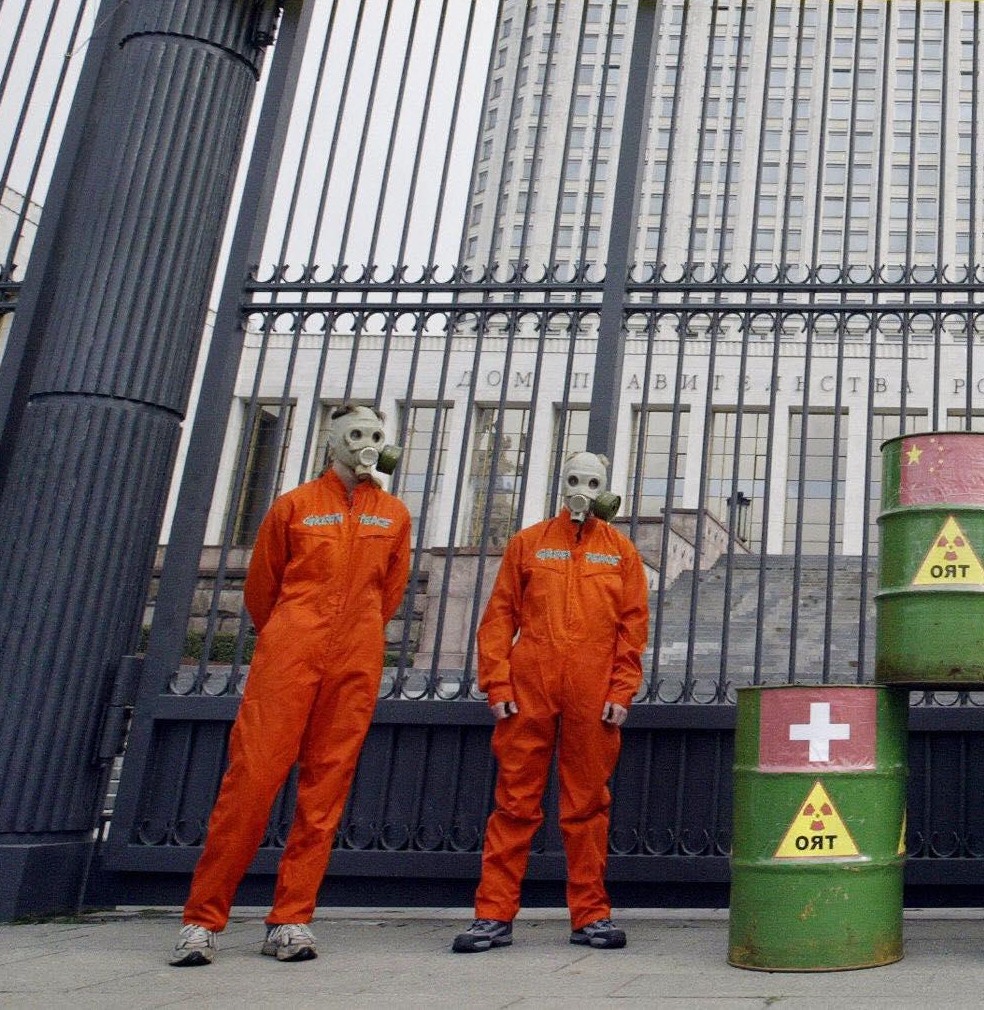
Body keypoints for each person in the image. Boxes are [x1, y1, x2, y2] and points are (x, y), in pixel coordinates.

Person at [171, 405, 412, 967]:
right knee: (250, 783)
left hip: (354, 662)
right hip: (289, 656)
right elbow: (262, 587)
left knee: (324, 793)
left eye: (375, 436)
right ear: (333, 442)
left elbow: (390, 592)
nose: (366, 445)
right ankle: (202, 919)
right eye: (355, 435)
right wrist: (290, 633)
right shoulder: (295, 506)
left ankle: (291, 920)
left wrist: (354, 635)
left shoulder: (394, 514)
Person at [452, 450, 648, 954]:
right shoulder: (529, 543)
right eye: (575, 479)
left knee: (587, 806)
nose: (582, 489)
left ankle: (590, 915)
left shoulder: (621, 552)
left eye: (592, 481)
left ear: (606, 487)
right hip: (528, 689)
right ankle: (492, 915)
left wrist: (620, 690)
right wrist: (497, 684)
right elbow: (499, 618)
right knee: (514, 803)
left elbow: (633, 630)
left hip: (593, 693)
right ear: (562, 484)